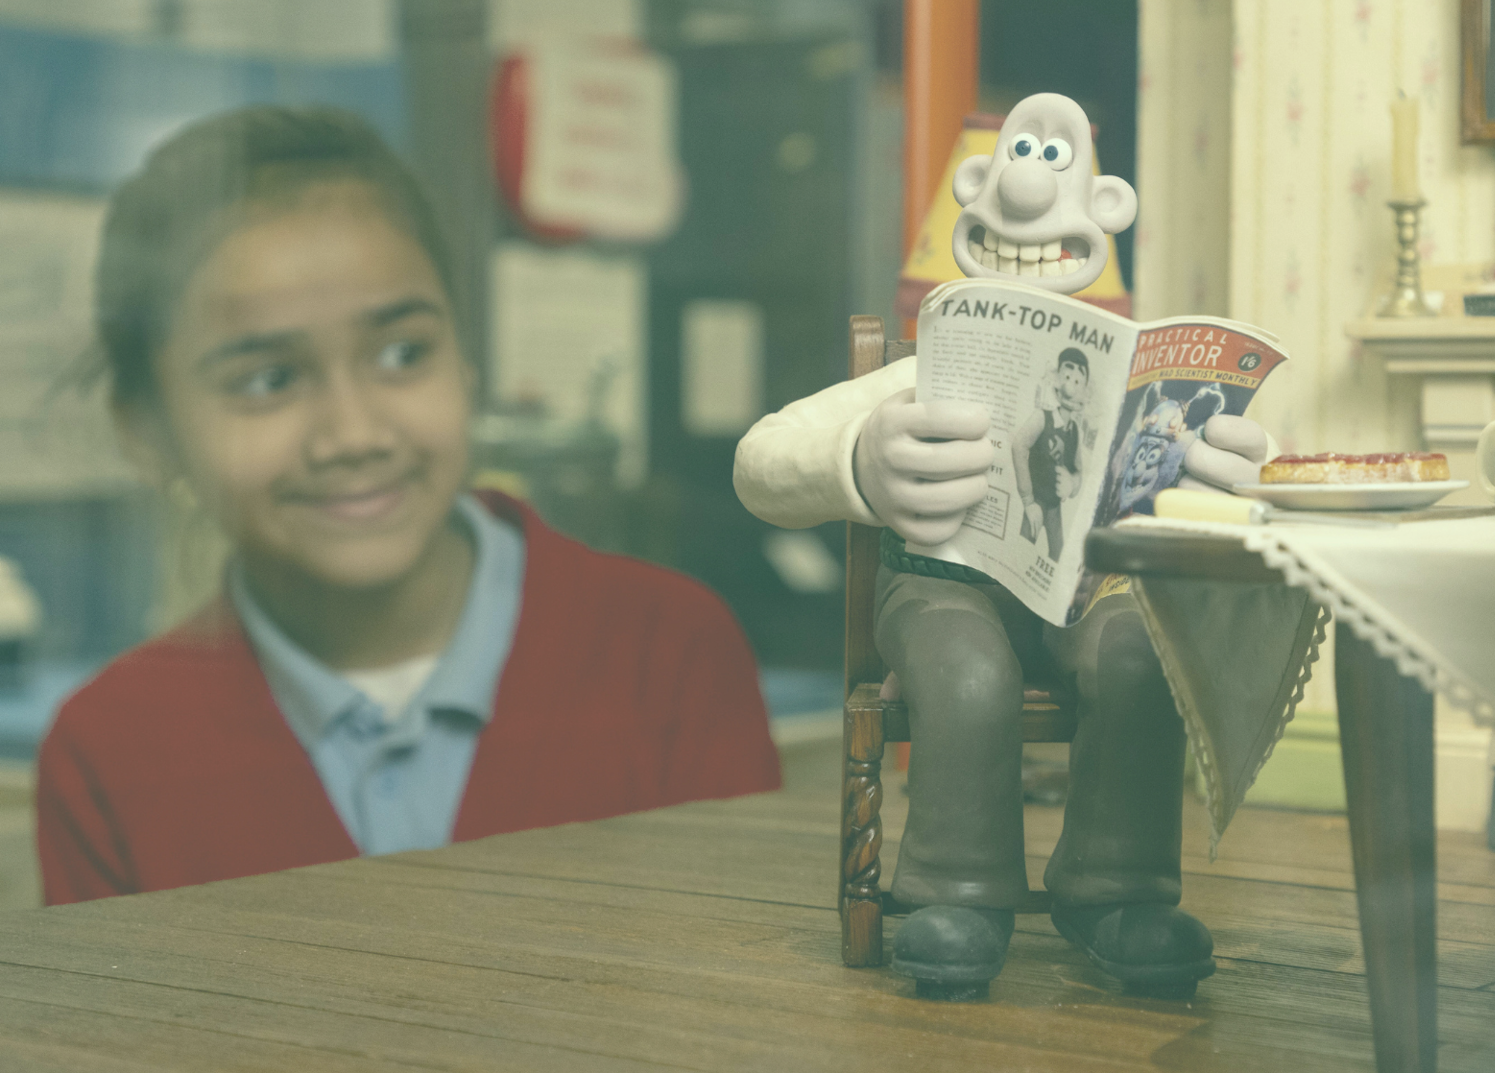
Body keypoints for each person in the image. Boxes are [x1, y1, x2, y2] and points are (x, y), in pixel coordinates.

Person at [36, 106, 779, 905]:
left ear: (465, 356)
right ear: (146, 432)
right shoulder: (109, 752)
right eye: (268, 380)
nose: (355, 434)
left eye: (402, 354)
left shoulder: (667, 655)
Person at [735, 93, 1272, 1000]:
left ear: (1107, 215)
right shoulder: (917, 372)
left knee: (1144, 653)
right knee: (969, 671)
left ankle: (1115, 890)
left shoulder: (1124, 377)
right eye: (1016, 163)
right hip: (943, 589)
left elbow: (1217, 481)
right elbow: (761, 462)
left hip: (1086, 590)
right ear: (976, 194)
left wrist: (1235, 464)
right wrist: (860, 462)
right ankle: (957, 893)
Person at [1013, 347, 1095, 560]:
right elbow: (1019, 446)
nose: (1070, 387)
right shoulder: (1042, 417)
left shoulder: (1075, 432)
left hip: (1055, 507)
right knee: (1022, 550)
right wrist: (1028, 501)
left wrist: (1073, 484)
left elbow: (1078, 471)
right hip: (1037, 501)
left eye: (1078, 381)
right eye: (1067, 377)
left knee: (1057, 555)